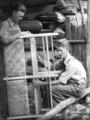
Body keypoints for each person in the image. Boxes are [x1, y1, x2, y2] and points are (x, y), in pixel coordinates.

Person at [36, 39, 87, 106]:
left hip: (77, 87)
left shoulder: (72, 63)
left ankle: (67, 107)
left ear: (67, 50)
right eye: (58, 50)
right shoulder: (64, 60)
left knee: (52, 89)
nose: (59, 53)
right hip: (71, 84)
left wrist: (43, 83)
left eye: (61, 51)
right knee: (49, 88)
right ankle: (48, 107)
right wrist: (39, 59)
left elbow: (61, 81)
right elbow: (52, 66)